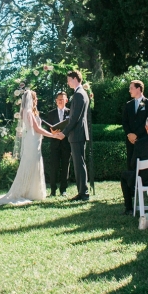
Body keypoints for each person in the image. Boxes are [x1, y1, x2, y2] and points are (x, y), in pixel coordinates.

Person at [0, 90, 53, 205]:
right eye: (35, 98)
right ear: (32, 99)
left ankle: (31, 191)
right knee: (31, 163)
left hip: (33, 139)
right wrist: (53, 135)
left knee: (33, 163)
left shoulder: (26, 111)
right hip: (33, 140)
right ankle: (29, 192)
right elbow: (37, 129)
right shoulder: (29, 112)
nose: (37, 100)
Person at [53, 70, 91, 201]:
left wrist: (64, 133)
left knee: (79, 164)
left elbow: (74, 118)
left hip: (77, 134)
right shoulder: (81, 93)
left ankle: (83, 193)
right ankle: (82, 192)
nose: (68, 82)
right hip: (79, 134)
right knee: (79, 164)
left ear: (75, 78)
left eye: (69, 79)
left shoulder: (79, 94)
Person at [120, 115, 148, 214]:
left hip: (143, 178)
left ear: (146, 128)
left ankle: (129, 208)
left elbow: (133, 164)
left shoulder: (140, 143)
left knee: (124, 176)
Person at [122, 80, 148, 171]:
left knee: (143, 164)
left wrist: (136, 134)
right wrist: (129, 134)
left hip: (143, 139)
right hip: (130, 140)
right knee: (130, 163)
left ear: (139, 89)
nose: (129, 90)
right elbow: (125, 121)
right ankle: (130, 183)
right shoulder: (128, 104)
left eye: (131, 88)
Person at [44, 91, 71, 197]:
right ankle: (53, 190)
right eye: (58, 99)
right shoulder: (51, 113)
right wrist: (52, 132)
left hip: (66, 143)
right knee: (54, 167)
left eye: (62, 99)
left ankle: (63, 189)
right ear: (56, 101)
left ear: (66, 100)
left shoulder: (70, 112)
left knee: (65, 167)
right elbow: (48, 128)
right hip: (54, 144)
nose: (60, 101)